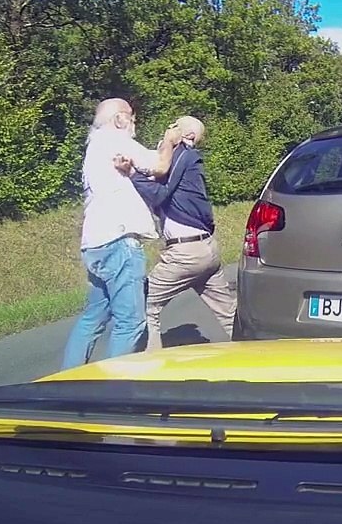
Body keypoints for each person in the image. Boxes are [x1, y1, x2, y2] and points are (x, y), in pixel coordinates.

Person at [61, 98, 182, 369]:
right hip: (120, 243)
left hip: (95, 244)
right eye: (131, 117)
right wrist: (169, 140)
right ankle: (111, 386)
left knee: (93, 318)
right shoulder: (116, 139)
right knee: (131, 322)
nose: (134, 122)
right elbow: (159, 166)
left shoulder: (95, 146)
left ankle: (66, 381)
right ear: (119, 119)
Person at [118, 115, 238, 349]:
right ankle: (256, 354)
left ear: (187, 135)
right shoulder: (188, 162)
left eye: (174, 126)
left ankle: (151, 362)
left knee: (145, 304)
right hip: (206, 249)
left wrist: (132, 173)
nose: (168, 128)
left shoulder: (183, 155)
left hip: (186, 254)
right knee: (228, 313)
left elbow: (158, 194)